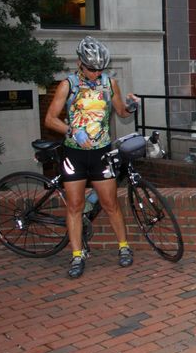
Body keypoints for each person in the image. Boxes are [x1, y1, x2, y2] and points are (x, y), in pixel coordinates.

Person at [44, 36, 141, 278]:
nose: (96, 73)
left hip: (101, 153)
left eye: (100, 69)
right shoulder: (68, 85)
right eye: (91, 69)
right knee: (75, 206)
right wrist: (72, 131)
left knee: (110, 204)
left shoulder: (109, 83)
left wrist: (130, 106)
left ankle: (124, 247)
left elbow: (120, 112)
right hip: (74, 154)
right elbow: (50, 119)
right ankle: (77, 255)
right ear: (80, 63)